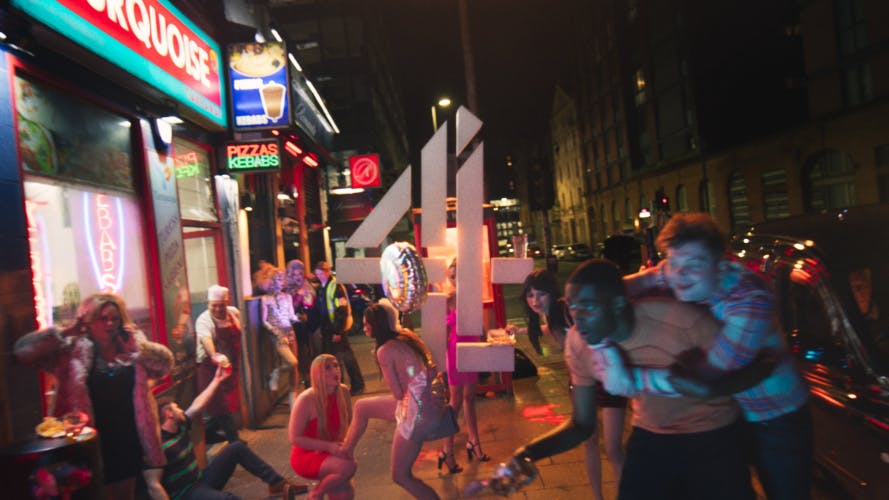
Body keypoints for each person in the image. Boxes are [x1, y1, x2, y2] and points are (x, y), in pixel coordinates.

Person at [487, 260, 754, 499]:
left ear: (616, 304)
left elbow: (750, 375)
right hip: (652, 432)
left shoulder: (680, 322)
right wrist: (526, 453)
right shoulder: (579, 343)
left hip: (712, 435)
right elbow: (581, 425)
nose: (579, 319)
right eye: (575, 308)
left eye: (588, 307)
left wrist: (707, 387)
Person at [621, 212, 812, 500]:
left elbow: (706, 376)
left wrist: (621, 376)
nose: (679, 274)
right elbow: (630, 284)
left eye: (693, 265)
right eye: (673, 262)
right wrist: (592, 299)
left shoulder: (748, 301)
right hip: (732, 411)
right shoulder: (681, 268)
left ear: (720, 264)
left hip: (775, 417)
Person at [15, 293, 174, 500]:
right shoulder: (72, 349)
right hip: (90, 439)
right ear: (89, 320)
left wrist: (137, 348)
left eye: (114, 318)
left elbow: (164, 366)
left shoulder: (128, 343)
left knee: (126, 494)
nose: (109, 324)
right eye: (102, 318)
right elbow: (23, 353)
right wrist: (65, 332)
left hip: (127, 436)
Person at [506, 269, 626, 500]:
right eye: (530, 296)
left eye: (540, 294)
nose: (535, 301)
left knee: (613, 448)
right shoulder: (551, 314)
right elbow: (551, 329)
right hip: (581, 380)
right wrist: (520, 330)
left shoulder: (564, 308)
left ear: (551, 293)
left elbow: (587, 327)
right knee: (589, 442)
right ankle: (597, 496)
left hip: (604, 377)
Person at [340, 301, 444, 500]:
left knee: (400, 475)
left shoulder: (384, 351)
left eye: (367, 325)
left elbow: (397, 393)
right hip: (427, 401)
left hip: (417, 412)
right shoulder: (406, 337)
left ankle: (344, 452)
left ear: (377, 325)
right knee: (361, 407)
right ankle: (345, 450)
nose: (364, 329)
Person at [158, 364, 307, 499]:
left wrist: (217, 380)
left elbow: (197, 405)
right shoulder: (160, 445)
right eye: (176, 407)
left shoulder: (181, 425)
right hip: (187, 494)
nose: (180, 409)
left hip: (200, 480)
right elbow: (154, 484)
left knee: (236, 448)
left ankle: (277, 484)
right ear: (168, 414)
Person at [289, 354, 356, 500]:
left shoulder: (344, 392)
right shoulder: (306, 399)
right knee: (348, 467)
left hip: (330, 450)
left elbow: (349, 425)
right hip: (306, 455)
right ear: (316, 374)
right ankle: (315, 494)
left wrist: (343, 447)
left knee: (345, 490)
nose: (335, 371)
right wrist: (328, 446)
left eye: (336, 365)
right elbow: (294, 438)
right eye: (327, 367)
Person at [194, 284, 242, 444]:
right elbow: (206, 340)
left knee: (227, 403)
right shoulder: (203, 319)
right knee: (220, 405)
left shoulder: (233, 313)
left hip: (231, 366)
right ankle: (235, 442)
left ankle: (209, 433)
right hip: (210, 368)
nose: (217, 309)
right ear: (208, 304)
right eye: (214, 306)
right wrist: (215, 355)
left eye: (221, 305)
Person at [438, 291, 479, 474]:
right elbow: (442, 336)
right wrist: (440, 366)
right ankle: (447, 450)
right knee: (455, 402)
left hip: (471, 350)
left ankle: (475, 442)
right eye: (452, 274)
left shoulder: (470, 296)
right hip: (455, 354)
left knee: (469, 398)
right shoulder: (448, 299)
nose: (455, 278)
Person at [313, 261, 364, 396]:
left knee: (344, 358)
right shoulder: (321, 288)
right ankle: (343, 385)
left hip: (336, 329)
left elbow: (341, 308)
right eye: (318, 274)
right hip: (328, 329)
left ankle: (354, 385)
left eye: (322, 273)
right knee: (338, 358)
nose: (320, 276)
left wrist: (338, 330)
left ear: (328, 271)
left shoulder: (335, 287)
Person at [256, 266, 299, 394]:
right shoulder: (265, 299)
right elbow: (264, 321)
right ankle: (276, 371)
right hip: (278, 335)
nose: (281, 282)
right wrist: (276, 332)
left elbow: (291, 316)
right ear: (270, 281)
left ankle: (294, 400)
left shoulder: (287, 297)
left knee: (294, 368)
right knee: (293, 362)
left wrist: (299, 319)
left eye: (282, 279)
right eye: (277, 279)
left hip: (290, 332)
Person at [285, 260, 320, 389]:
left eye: (300, 273)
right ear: (290, 275)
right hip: (296, 328)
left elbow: (312, 304)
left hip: (310, 325)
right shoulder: (289, 289)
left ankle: (313, 379)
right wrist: (299, 296)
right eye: (294, 275)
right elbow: (290, 307)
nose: (298, 277)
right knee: (302, 355)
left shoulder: (307, 285)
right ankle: (306, 381)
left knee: (314, 352)